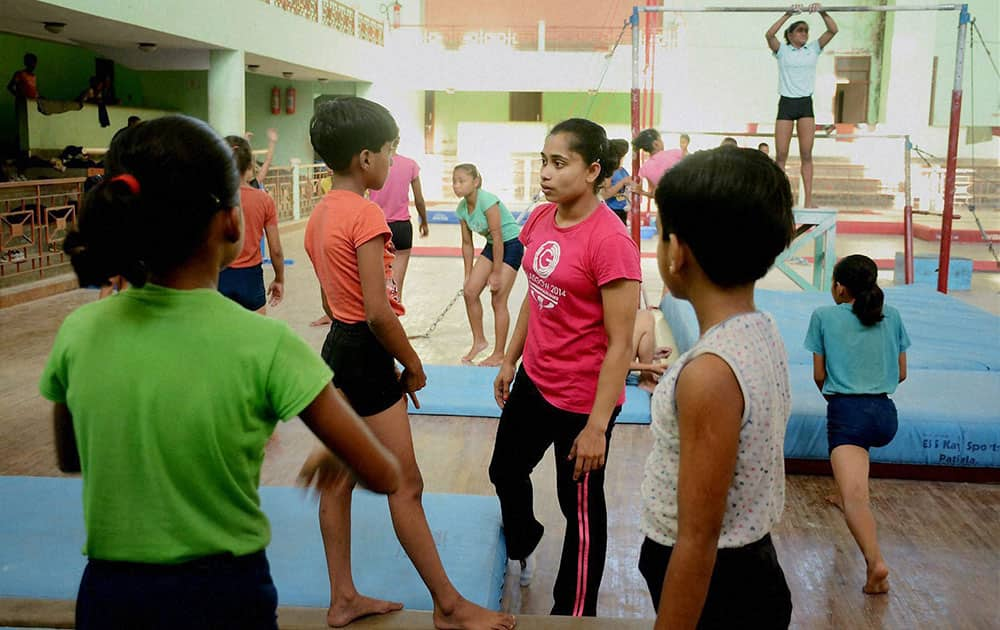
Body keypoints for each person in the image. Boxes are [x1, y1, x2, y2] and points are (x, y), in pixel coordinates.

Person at [40, 114, 402, 630]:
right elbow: (385, 473)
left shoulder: (80, 331)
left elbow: (71, 455)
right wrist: (342, 457)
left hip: (111, 594)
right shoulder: (267, 343)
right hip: (225, 595)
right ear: (231, 222)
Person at [305, 96, 516, 630]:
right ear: (365, 158)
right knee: (405, 483)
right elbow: (377, 313)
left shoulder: (321, 212)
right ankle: (448, 605)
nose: (394, 158)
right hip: (367, 354)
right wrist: (413, 363)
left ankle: (343, 597)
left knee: (338, 480)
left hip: (337, 349)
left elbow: (334, 305)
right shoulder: (367, 213)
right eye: (390, 149)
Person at [639, 147, 795, 629]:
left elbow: (698, 538)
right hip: (739, 571)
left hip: (717, 588)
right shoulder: (758, 328)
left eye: (661, 232)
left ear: (677, 252)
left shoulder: (709, 373)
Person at [490, 118, 642, 616]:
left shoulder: (611, 241)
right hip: (536, 378)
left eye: (559, 163)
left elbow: (620, 344)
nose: (546, 173)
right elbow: (537, 297)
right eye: (543, 161)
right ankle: (525, 535)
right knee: (504, 470)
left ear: (593, 170)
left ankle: (574, 613)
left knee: (577, 509)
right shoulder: (538, 219)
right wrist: (510, 358)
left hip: (583, 401)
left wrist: (598, 426)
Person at [805, 253, 908, 595]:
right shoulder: (891, 315)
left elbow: (820, 375)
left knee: (856, 500)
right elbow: (902, 372)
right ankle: (844, 489)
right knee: (855, 469)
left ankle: (875, 562)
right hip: (885, 415)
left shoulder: (823, 316)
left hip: (848, 412)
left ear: (840, 287)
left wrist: (839, 399)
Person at [766, 3, 839, 208]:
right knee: (781, 155)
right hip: (787, 104)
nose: (804, 33)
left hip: (805, 104)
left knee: (806, 154)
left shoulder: (813, 49)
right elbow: (769, 35)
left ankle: (808, 200)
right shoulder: (782, 51)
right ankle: (779, 199)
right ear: (790, 35)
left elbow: (833, 30)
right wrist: (786, 14)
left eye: (806, 30)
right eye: (800, 30)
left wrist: (823, 11)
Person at [453, 163, 523, 366]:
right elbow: (467, 244)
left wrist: (496, 273)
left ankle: (500, 353)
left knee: (497, 299)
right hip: (493, 246)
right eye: (454, 181)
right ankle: (479, 341)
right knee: (470, 291)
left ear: (475, 182)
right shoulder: (461, 209)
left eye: (461, 181)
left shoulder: (488, 201)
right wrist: (468, 274)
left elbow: (499, 236)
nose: (456, 186)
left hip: (511, 245)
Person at [218, 135, 284, 313]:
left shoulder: (214, 198)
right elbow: (276, 249)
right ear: (249, 166)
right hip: (250, 276)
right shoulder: (263, 200)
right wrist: (279, 278)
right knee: (257, 336)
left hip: (219, 274)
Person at [369, 148, 429, 303]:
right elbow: (419, 199)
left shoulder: (372, 164)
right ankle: (394, 316)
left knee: (374, 281)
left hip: (376, 227)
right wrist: (424, 221)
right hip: (401, 227)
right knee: (396, 283)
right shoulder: (410, 165)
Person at [632, 128, 684, 199]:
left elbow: (654, 194)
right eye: (661, 139)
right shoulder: (676, 153)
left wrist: (641, 192)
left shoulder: (645, 168)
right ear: (656, 144)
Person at [602, 138, 631, 224]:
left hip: (622, 209)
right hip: (612, 210)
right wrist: (622, 183)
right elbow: (604, 195)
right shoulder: (610, 171)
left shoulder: (622, 170)